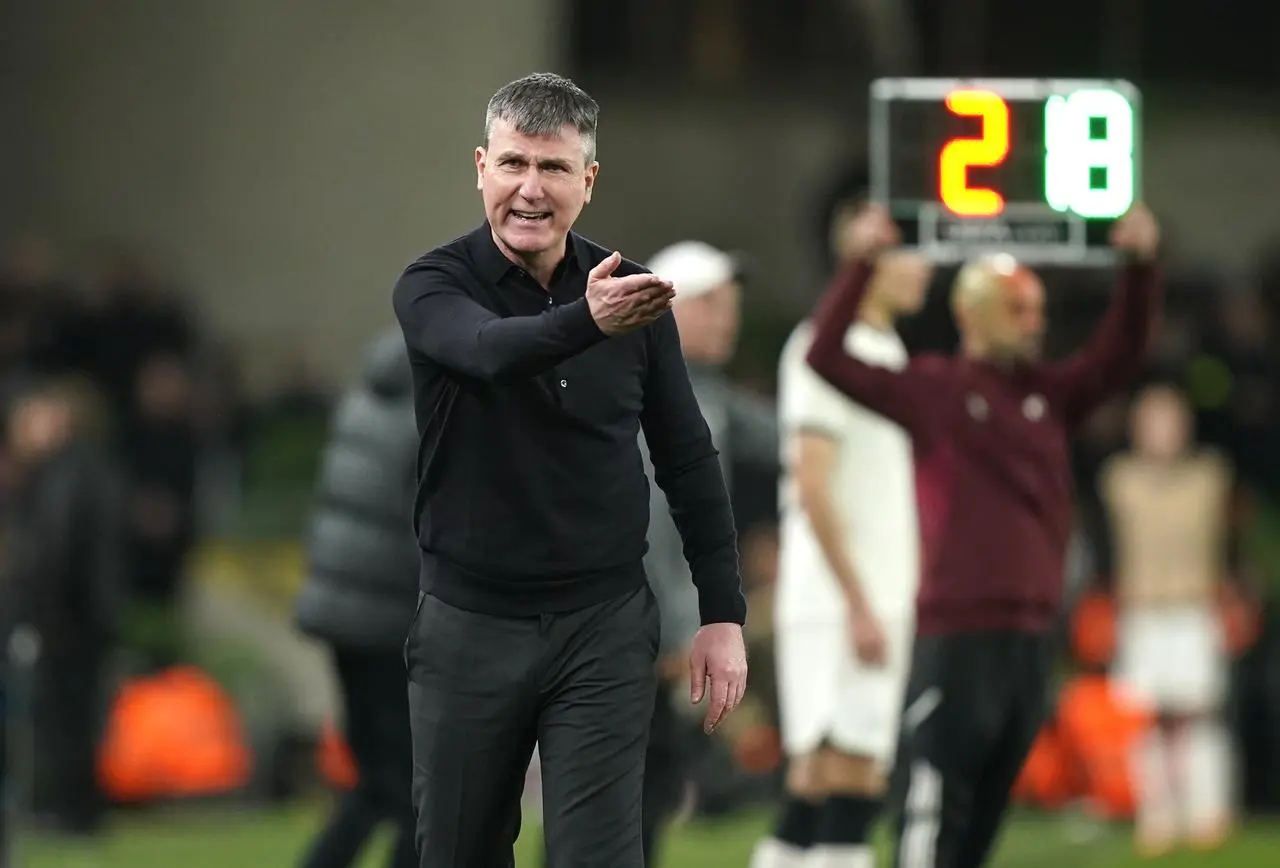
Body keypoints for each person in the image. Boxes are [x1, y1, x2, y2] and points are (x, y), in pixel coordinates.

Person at [390, 72, 749, 868]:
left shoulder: (632, 297)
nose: (529, 189)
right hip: (470, 622)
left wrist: (723, 611)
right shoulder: (433, 284)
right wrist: (586, 321)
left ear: (587, 181)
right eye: (513, 164)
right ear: (480, 166)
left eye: (553, 169)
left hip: (603, 623)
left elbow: (687, 456)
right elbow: (486, 354)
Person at [804, 203, 1161, 868]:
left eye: (1036, 308)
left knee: (984, 823)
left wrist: (1139, 269)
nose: (1036, 322)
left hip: (1030, 641)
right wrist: (858, 264)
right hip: (959, 638)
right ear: (974, 312)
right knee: (934, 813)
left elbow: (1122, 352)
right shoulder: (937, 389)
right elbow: (827, 356)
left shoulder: (1049, 397)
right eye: (1019, 308)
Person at [753, 206, 932, 868]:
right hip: (839, 600)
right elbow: (812, 484)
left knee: (832, 779)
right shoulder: (824, 347)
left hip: (869, 593)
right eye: (909, 253)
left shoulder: (886, 348)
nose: (926, 267)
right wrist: (858, 600)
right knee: (845, 775)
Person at [640, 240, 779, 865]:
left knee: (653, 783)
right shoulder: (653, 388)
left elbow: (790, 437)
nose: (729, 316)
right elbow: (652, 523)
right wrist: (671, 631)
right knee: (624, 788)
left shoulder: (707, 389)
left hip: (668, 623)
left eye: (731, 303)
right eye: (711, 303)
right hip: (636, 628)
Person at [293, 328, 421, 868]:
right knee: (424, 786)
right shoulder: (435, 408)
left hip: (344, 614)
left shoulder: (368, 397)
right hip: (390, 615)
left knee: (378, 781)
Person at [1101, 383, 1235, 855]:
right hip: (1142, 609)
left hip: (1194, 607)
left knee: (1198, 715)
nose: (1163, 432)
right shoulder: (1119, 479)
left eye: (1172, 421)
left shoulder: (1209, 476)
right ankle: (1155, 813)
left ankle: (1207, 810)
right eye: (1153, 421)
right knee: (1146, 720)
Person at [0, 377, 125, 839]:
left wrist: (33, 606)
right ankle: (74, 810)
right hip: (83, 615)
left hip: (64, 618)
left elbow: (55, 550)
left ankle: (65, 811)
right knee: (72, 715)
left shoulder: (63, 473)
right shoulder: (79, 469)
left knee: (61, 717)